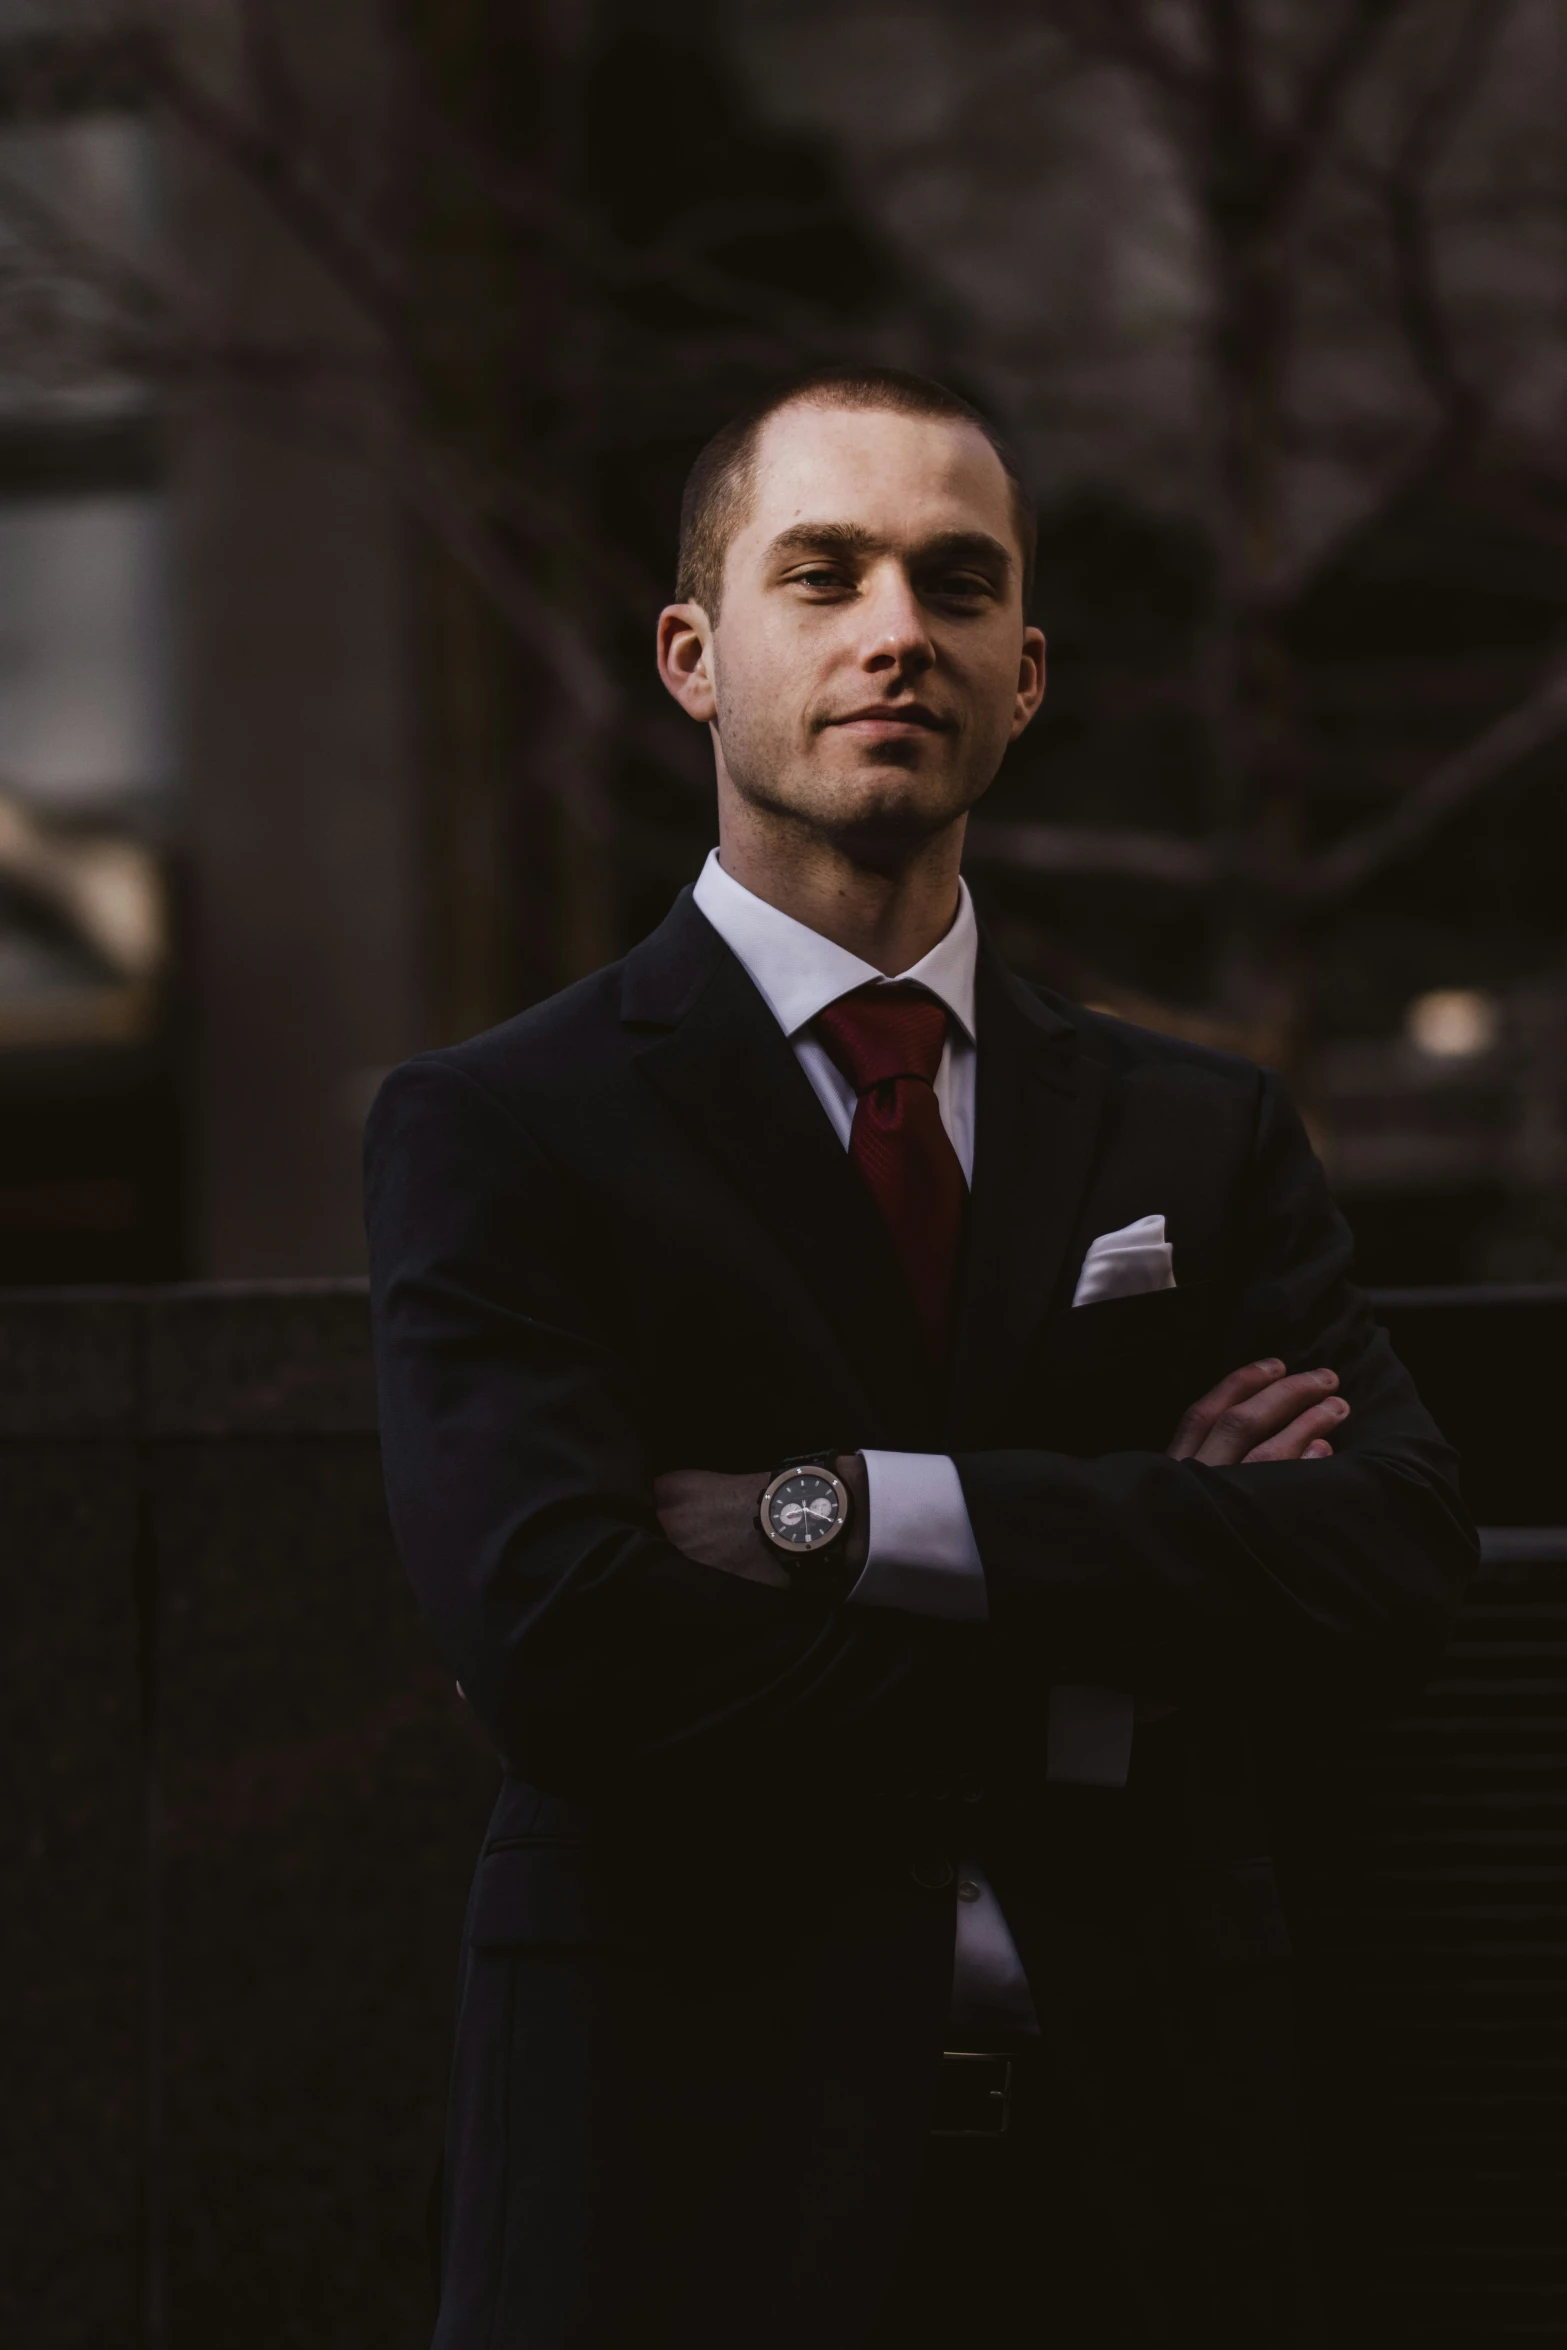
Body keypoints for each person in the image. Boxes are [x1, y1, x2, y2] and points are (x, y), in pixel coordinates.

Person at [364, 365, 1475, 2349]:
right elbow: (566, 1643)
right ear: (696, 654)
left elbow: (1387, 1562)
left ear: (1025, 672)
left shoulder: (1191, 1129)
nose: (900, 629)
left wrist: (845, 1515)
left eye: (957, 586)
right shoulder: (502, 1124)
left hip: (1150, 2185)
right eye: (828, 572)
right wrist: (1128, 1633)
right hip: (678, 2188)